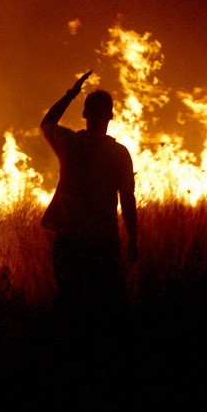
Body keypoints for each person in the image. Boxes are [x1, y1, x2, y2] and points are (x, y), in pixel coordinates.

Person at [40, 71, 137, 324]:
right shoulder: (119, 154)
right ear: (111, 116)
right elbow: (127, 198)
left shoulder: (69, 143)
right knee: (103, 306)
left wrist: (71, 94)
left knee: (68, 302)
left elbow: (47, 122)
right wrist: (133, 240)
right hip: (103, 240)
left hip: (69, 239)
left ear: (84, 115)